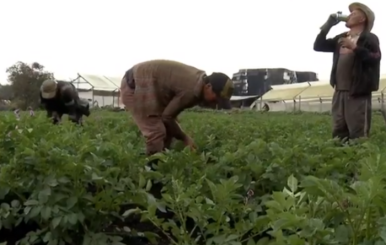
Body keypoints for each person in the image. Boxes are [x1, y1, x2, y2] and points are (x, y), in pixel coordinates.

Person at [120, 60, 234, 156]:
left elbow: (169, 117)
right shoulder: (191, 89)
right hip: (134, 86)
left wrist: (180, 134)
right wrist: (185, 138)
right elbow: (167, 117)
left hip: (151, 88)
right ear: (208, 87)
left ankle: (162, 162)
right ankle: (152, 173)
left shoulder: (198, 82)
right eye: (216, 99)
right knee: (157, 132)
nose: (215, 104)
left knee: (168, 128)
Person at [314, 2, 381, 140]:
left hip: (357, 92)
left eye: (353, 14)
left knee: (358, 133)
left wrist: (354, 47)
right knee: (339, 131)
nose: (349, 16)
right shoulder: (341, 37)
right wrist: (328, 25)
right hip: (339, 92)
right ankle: (341, 158)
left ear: (362, 19)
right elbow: (318, 46)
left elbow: (375, 58)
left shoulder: (369, 37)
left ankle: (359, 160)